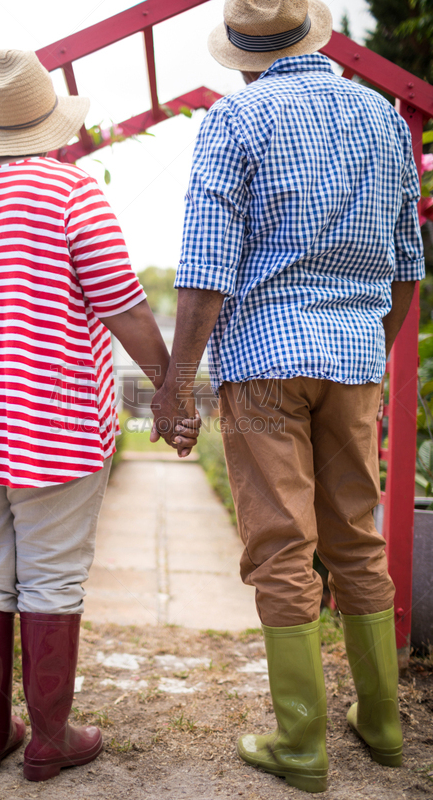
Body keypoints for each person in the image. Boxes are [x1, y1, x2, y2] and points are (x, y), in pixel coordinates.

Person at [153, 0, 425, 793]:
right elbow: (407, 264)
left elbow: (205, 272)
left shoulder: (235, 122)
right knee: (355, 538)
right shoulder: (380, 117)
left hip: (265, 360)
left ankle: (301, 744)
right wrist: (367, 351)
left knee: (280, 545)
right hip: (350, 359)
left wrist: (174, 390)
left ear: (241, 55)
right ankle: (380, 726)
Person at [0, 49, 199, 783]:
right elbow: (124, 307)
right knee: (51, 578)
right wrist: (169, 391)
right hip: (52, 424)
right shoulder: (72, 194)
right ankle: (48, 737)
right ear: (51, 125)